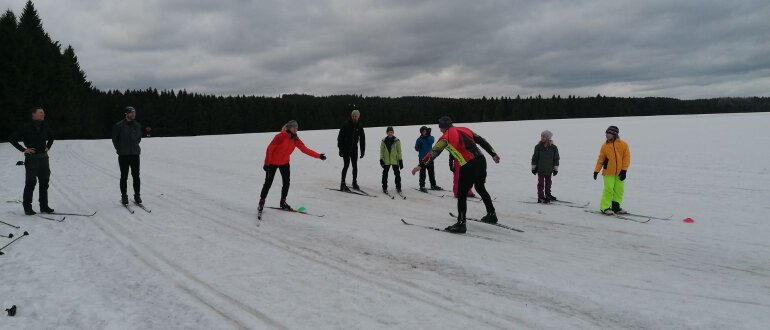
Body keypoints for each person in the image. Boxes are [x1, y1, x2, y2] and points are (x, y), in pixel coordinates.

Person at [411, 116, 500, 234]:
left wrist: (420, 165)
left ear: (442, 128)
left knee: (461, 193)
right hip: (481, 160)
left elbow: (433, 152)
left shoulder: (445, 137)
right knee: (480, 187)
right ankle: (491, 214)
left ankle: (461, 224)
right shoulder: (465, 129)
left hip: (468, 164)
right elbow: (481, 140)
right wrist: (493, 154)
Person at [260, 120, 326, 212]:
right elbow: (269, 149)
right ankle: (262, 201)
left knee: (286, 182)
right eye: (294, 127)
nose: (295, 129)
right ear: (289, 127)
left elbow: (305, 149)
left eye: (297, 128)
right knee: (268, 182)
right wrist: (267, 163)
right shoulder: (280, 136)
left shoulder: (295, 139)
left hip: (285, 163)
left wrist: (318, 156)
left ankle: (283, 202)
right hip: (272, 162)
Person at [9, 107, 55, 215]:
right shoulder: (26, 127)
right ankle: (27, 208)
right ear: (33, 114)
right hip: (32, 160)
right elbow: (12, 139)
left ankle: (44, 206)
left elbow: (52, 138)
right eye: (40, 113)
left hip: (44, 159)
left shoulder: (45, 126)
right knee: (30, 183)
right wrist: (24, 149)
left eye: (43, 113)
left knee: (44, 183)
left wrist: (48, 147)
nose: (43, 114)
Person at [593, 125, 631, 215]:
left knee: (619, 190)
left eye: (608, 133)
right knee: (609, 189)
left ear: (614, 134)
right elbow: (601, 159)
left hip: (620, 172)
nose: (606, 135)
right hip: (608, 172)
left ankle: (616, 207)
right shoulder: (605, 146)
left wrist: (624, 170)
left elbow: (626, 158)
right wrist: (596, 171)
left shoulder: (623, 144)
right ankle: (605, 207)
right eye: (606, 133)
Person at [112, 106, 143, 205]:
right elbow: (114, 139)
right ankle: (124, 196)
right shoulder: (119, 125)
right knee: (124, 176)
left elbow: (139, 139)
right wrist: (119, 149)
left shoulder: (137, 125)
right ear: (126, 114)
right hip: (123, 155)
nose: (133, 114)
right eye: (131, 112)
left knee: (136, 176)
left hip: (134, 154)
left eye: (134, 112)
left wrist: (134, 147)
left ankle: (137, 195)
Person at [337, 109, 365, 191]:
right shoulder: (345, 124)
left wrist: (362, 151)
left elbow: (362, 139)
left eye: (356, 116)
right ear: (351, 116)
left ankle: (354, 182)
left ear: (358, 117)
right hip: (345, 149)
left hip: (354, 150)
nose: (354, 117)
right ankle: (342, 183)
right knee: (346, 165)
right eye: (353, 116)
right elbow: (340, 138)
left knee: (355, 166)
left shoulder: (359, 126)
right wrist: (340, 149)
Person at [531, 130, 560, 203]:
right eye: (541, 136)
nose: (542, 138)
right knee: (540, 184)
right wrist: (533, 168)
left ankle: (547, 194)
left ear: (548, 138)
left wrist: (555, 169)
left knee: (548, 183)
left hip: (549, 169)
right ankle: (540, 197)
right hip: (540, 169)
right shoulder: (538, 147)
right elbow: (535, 157)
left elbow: (556, 158)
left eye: (544, 136)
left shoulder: (553, 148)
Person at [414, 126, 442, 192]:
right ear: (421, 132)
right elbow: (416, 148)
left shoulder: (430, 138)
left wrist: (428, 135)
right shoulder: (419, 139)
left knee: (431, 172)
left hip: (430, 158)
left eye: (425, 131)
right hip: (422, 159)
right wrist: (418, 146)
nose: (424, 132)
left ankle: (433, 185)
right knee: (422, 173)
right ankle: (422, 186)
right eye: (423, 131)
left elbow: (432, 140)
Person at [380, 127, 403, 194]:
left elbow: (399, 151)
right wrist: (381, 159)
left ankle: (398, 187)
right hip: (386, 160)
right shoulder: (383, 141)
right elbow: (381, 151)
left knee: (397, 174)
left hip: (395, 160)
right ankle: (384, 187)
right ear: (386, 133)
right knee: (385, 174)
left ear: (393, 132)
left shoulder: (397, 141)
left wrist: (400, 160)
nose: (390, 133)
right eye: (389, 132)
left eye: (391, 132)